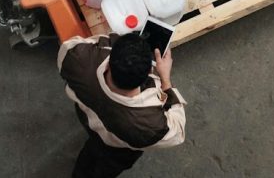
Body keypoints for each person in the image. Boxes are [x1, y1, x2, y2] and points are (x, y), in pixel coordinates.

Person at [58, 33, 186, 178]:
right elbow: (177, 132)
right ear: (150, 72)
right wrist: (165, 79)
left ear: (110, 60)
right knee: (103, 171)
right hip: (117, 150)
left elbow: (71, 45)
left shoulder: (77, 59)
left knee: (88, 155)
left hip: (87, 119)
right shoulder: (149, 126)